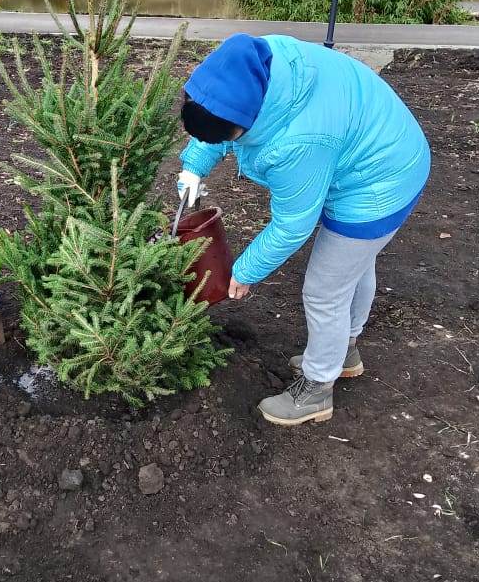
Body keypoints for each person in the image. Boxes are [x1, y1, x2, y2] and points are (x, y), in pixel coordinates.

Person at [177, 34, 430, 426]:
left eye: (229, 138)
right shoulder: (256, 64)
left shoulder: (300, 141)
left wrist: (245, 272)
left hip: (381, 180)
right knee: (353, 267)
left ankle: (316, 389)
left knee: (325, 290)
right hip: (379, 142)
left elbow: (293, 224)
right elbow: (218, 110)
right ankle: (344, 351)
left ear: (247, 121)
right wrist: (194, 164)